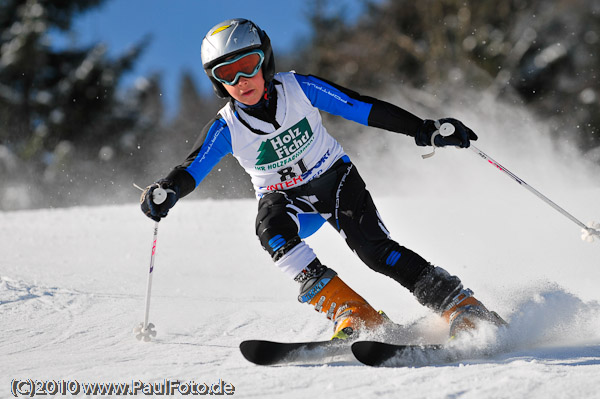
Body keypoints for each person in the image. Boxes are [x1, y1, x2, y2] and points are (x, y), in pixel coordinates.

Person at [140, 18, 505, 340]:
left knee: (375, 252)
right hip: (285, 199)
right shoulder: (227, 127)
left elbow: (361, 107)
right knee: (271, 230)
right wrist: (166, 191)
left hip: (334, 182)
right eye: (226, 74)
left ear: (265, 60)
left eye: (248, 65)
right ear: (218, 83)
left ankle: (463, 306)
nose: (240, 80)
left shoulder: (298, 88)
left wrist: (423, 129)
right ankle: (355, 313)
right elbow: (192, 168)